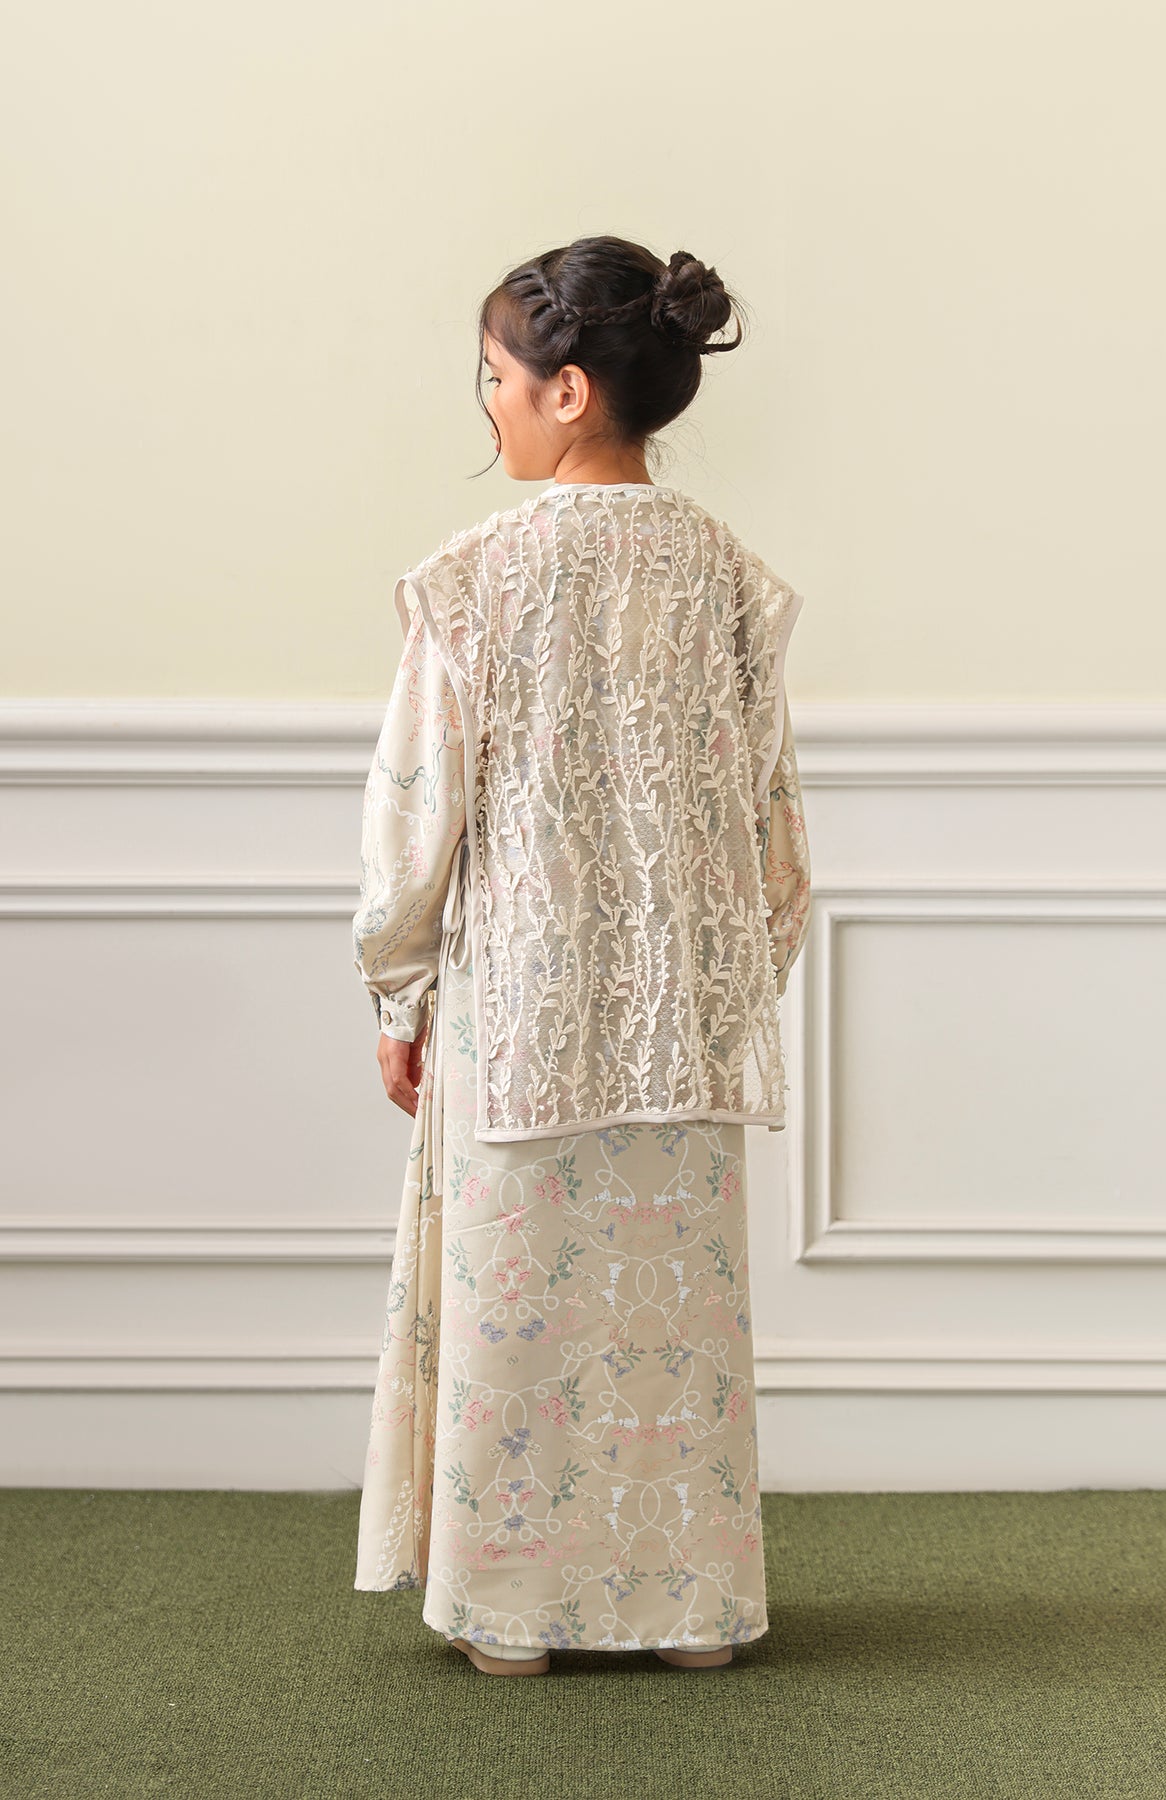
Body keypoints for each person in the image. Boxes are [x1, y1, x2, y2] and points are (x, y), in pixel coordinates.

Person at [351, 236, 812, 1677]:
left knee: (524, 1312)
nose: (485, 402)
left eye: (495, 377)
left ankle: (515, 1616)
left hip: (521, 1014)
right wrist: (730, 979)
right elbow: (773, 824)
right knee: (673, 1323)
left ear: (565, 390)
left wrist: (400, 990)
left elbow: (417, 811)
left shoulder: (474, 579)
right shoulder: (729, 578)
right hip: (684, 1019)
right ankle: (689, 1614)